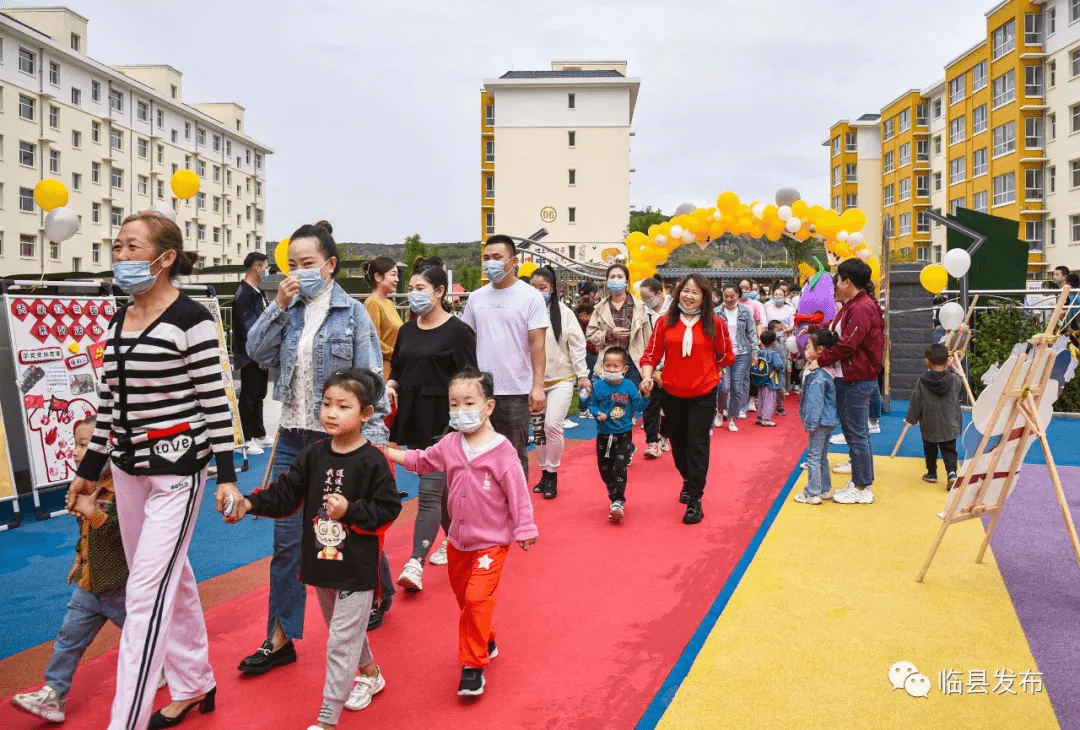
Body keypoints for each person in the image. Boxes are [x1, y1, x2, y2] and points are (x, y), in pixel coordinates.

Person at [65, 211, 233, 729]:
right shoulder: (120, 317)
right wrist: (90, 472)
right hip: (127, 471)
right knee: (170, 579)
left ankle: (125, 721)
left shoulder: (192, 319)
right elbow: (110, 405)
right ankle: (193, 680)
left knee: (144, 595)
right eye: (115, 246)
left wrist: (226, 474)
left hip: (178, 473)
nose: (119, 255)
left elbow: (215, 401)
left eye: (130, 247)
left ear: (164, 258)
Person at [238, 220, 394, 675]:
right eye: (291, 265)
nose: (299, 272)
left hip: (340, 441)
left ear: (329, 264)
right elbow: (254, 351)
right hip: (292, 437)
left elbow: (371, 383)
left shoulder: (354, 313)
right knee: (288, 540)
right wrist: (278, 307)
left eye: (308, 264)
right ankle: (280, 636)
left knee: (348, 528)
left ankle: (377, 585)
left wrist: (375, 444)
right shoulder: (289, 310)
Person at [227, 369, 401, 728]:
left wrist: (350, 511)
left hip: (357, 567)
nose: (331, 413)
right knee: (344, 631)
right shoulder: (313, 454)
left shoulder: (374, 460)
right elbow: (286, 493)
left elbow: (387, 510)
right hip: (321, 562)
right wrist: (249, 504)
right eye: (326, 404)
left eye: (343, 406)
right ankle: (370, 672)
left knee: (339, 640)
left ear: (366, 414)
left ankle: (326, 718)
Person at [385, 368, 538, 697]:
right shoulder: (450, 444)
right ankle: (486, 636)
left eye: (469, 402)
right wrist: (389, 453)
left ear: (489, 406)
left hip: (492, 543)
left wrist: (525, 526)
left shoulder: (502, 452)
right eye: (454, 404)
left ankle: (473, 666)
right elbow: (422, 460)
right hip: (458, 541)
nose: (460, 410)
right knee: (464, 599)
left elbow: (518, 493)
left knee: (476, 597)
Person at [12, 415, 159, 723]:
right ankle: (54, 692)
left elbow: (124, 534)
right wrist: (79, 561)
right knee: (69, 637)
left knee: (142, 633)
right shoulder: (84, 484)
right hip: (90, 586)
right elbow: (86, 535)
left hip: (119, 584)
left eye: (83, 445)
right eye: (75, 445)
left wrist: (93, 513)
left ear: (109, 448)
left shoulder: (124, 489)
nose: (76, 453)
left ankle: (166, 665)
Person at [390, 264, 477, 592]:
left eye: (421, 287)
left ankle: (415, 561)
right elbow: (398, 367)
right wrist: (390, 385)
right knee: (440, 494)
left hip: (446, 422)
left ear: (440, 291)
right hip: (413, 418)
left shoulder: (459, 332)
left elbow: (471, 379)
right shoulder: (407, 330)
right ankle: (465, 542)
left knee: (428, 490)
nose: (413, 293)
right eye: (411, 287)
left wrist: (467, 421)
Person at [640, 274, 735, 524]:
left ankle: (695, 499)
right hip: (671, 393)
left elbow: (726, 355)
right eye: (685, 291)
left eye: (695, 292)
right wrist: (648, 377)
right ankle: (687, 479)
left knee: (697, 445)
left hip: (703, 394)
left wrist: (712, 371)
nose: (689, 296)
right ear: (678, 293)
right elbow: (650, 354)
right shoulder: (665, 322)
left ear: (704, 297)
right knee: (678, 445)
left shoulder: (716, 324)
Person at [461, 235, 548, 481]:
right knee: (478, 453)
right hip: (480, 391)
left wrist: (538, 386)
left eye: (497, 258)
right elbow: (468, 340)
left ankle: (517, 512)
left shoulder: (531, 297)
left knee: (513, 455)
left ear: (513, 261)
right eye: (486, 259)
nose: (491, 263)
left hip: (515, 390)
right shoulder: (476, 298)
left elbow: (538, 344)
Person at [814, 258, 884, 505]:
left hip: (857, 376)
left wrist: (819, 360)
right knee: (855, 432)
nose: (835, 285)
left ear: (847, 281)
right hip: (851, 375)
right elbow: (835, 327)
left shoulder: (862, 307)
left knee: (857, 433)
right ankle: (860, 480)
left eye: (838, 280)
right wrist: (812, 327)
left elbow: (848, 343)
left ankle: (863, 486)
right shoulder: (852, 304)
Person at [529, 266, 590, 499]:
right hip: (534, 383)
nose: (537, 292)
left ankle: (553, 472)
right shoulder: (524, 313)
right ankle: (543, 472)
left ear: (551, 289)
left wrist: (583, 374)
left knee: (552, 425)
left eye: (542, 288)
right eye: (532, 288)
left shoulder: (564, 313)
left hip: (561, 379)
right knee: (539, 431)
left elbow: (577, 345)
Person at [589, 347, 648, 523]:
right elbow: (592, 405)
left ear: (624, 368)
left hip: (623, 434)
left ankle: (617, 501)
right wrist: (597, 413)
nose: (611, 370)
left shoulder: (629, 386)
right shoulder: (598, 386)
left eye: (616, 366)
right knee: (605, 470)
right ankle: (614, 491)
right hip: (604, 434)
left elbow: (637, 407)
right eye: (608, 366)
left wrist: (646, 396)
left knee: (619, 467)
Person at [905, 344, 964, 490]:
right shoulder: (953, 380)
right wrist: (950, 369)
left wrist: (911, 419)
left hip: (930, 423)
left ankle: (932, 473)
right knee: (949, 449)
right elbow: (959, 389)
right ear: (947, 361)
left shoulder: (922, 382)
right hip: (950, 422)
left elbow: (916, 401)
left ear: (927, 361)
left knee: (930, 449)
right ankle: (951, 473)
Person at [233, 251, 274, 455]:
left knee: (259, 394)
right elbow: (250, 329)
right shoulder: (243, 296)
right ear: (257, 267)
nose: (267, 270)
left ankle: (259, 433)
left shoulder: (258, 293)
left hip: (261, 354)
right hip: (250, 355)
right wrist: (258, 353)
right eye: (265, 266)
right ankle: (246, 438)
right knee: (249, 396)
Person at [586, 264, 653, 387]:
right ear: (607, 281)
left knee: (629, 400)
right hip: (608, 362)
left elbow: (648, 339)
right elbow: (591, 334)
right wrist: (609, 334)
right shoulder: (600, 308)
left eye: (620, 277)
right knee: (607, 401)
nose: (616, 280)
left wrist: (649, 368)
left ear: (626, 281)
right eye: (612, 277)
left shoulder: (640, 307)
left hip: (633, 362)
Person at [796, 330, 840, 504]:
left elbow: (815, 402)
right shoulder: (828, 371)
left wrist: (811, 422)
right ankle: (824, 488)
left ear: (820, 349)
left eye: (808, 347)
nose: (805, 351)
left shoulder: (818, 375)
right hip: (828, 420)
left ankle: (812, 492)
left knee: (813, 456)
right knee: (821, 455)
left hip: (820, 420)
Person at [714, 285, 757, 431]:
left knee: (737, 387)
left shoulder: (745, 311)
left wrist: (755, 353)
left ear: (738, 295)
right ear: (722, 296)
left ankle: (732, 418)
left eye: (732, 296)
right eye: (726, 296)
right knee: (724, 387)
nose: (729, 299)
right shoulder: (716, 312)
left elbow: (752, 333)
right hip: (723, 355)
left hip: (742, 354)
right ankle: (720, 412)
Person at [639, 278, 672, 458]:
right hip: (650, 364)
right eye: (643, 298)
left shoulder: (675, 310)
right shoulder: (642, 312)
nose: (646, 301)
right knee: (650, 403)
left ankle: (665, 435)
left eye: (649, 297)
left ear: (660, 294)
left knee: (669, 404)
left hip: (672, 365)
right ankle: (652, 441)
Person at [362, 256, 402, 380]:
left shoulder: (389, 303)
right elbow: (373, 340)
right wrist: (394, 354)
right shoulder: (373, 303)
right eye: (393, 275)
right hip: (384, 369)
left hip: (396, 366)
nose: (397, 279)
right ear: (378, 277)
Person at [751, 330, 784, 427]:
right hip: (771, 380)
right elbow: (779, 365)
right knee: (769, 399)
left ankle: (760, 416)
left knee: (761, 398)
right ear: (773, 342)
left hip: (761, 378)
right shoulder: (774, 354)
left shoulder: (759, 352)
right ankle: (766, 418)